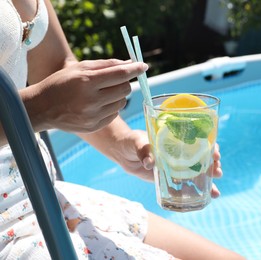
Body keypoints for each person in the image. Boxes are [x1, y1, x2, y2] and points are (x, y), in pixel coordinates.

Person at [0, 0, 245, 259]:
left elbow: (55, 64)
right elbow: (46, 96)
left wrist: (123, 141)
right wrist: (40, 109)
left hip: (41, 192)